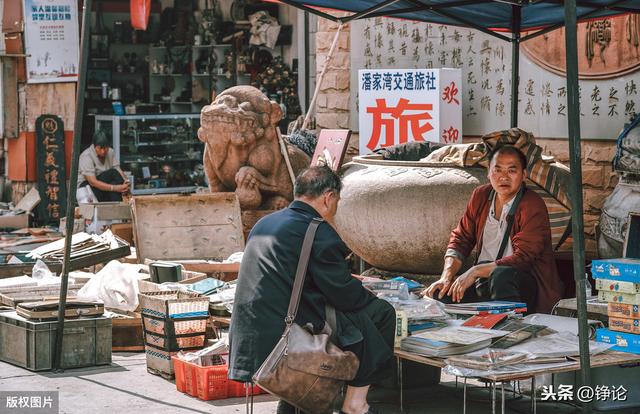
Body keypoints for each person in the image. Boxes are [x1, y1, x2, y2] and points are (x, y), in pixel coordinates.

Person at [229, 166, 395, 414]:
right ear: (328, 197)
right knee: (380, 313)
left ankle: (298, 401)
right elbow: (345, 295)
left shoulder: (265, 223)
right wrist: (371, 292)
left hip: (248, 335)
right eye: (337, 200)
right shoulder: (317, 230)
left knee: (352, 318)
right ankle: (355, 403)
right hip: (285, 338)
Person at [422, 145, 563, 314]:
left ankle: (511, 328)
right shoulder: (480, 195)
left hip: (520, 284)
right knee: (440, 294)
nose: (503, 177)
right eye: (497, 170)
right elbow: (461, 239)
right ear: (489, 173)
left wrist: (475, 271)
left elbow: (524, 258)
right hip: (484, 280)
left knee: (501, 276)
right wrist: (446, 277)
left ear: (524, 175)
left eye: (511, 171)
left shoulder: (532, 204)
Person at [77, 131, 129, 201]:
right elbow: (93, 182)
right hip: (87, 188)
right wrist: (115, 188)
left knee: (114, 183)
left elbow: (118, 169)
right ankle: (124, 196)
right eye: (100, 148)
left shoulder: (110, 152)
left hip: (103, 188)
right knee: (113, 173)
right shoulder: (86, 156)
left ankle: (118, 209)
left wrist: (126, 182)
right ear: (94, 146)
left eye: (105, 148)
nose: (103, 151)